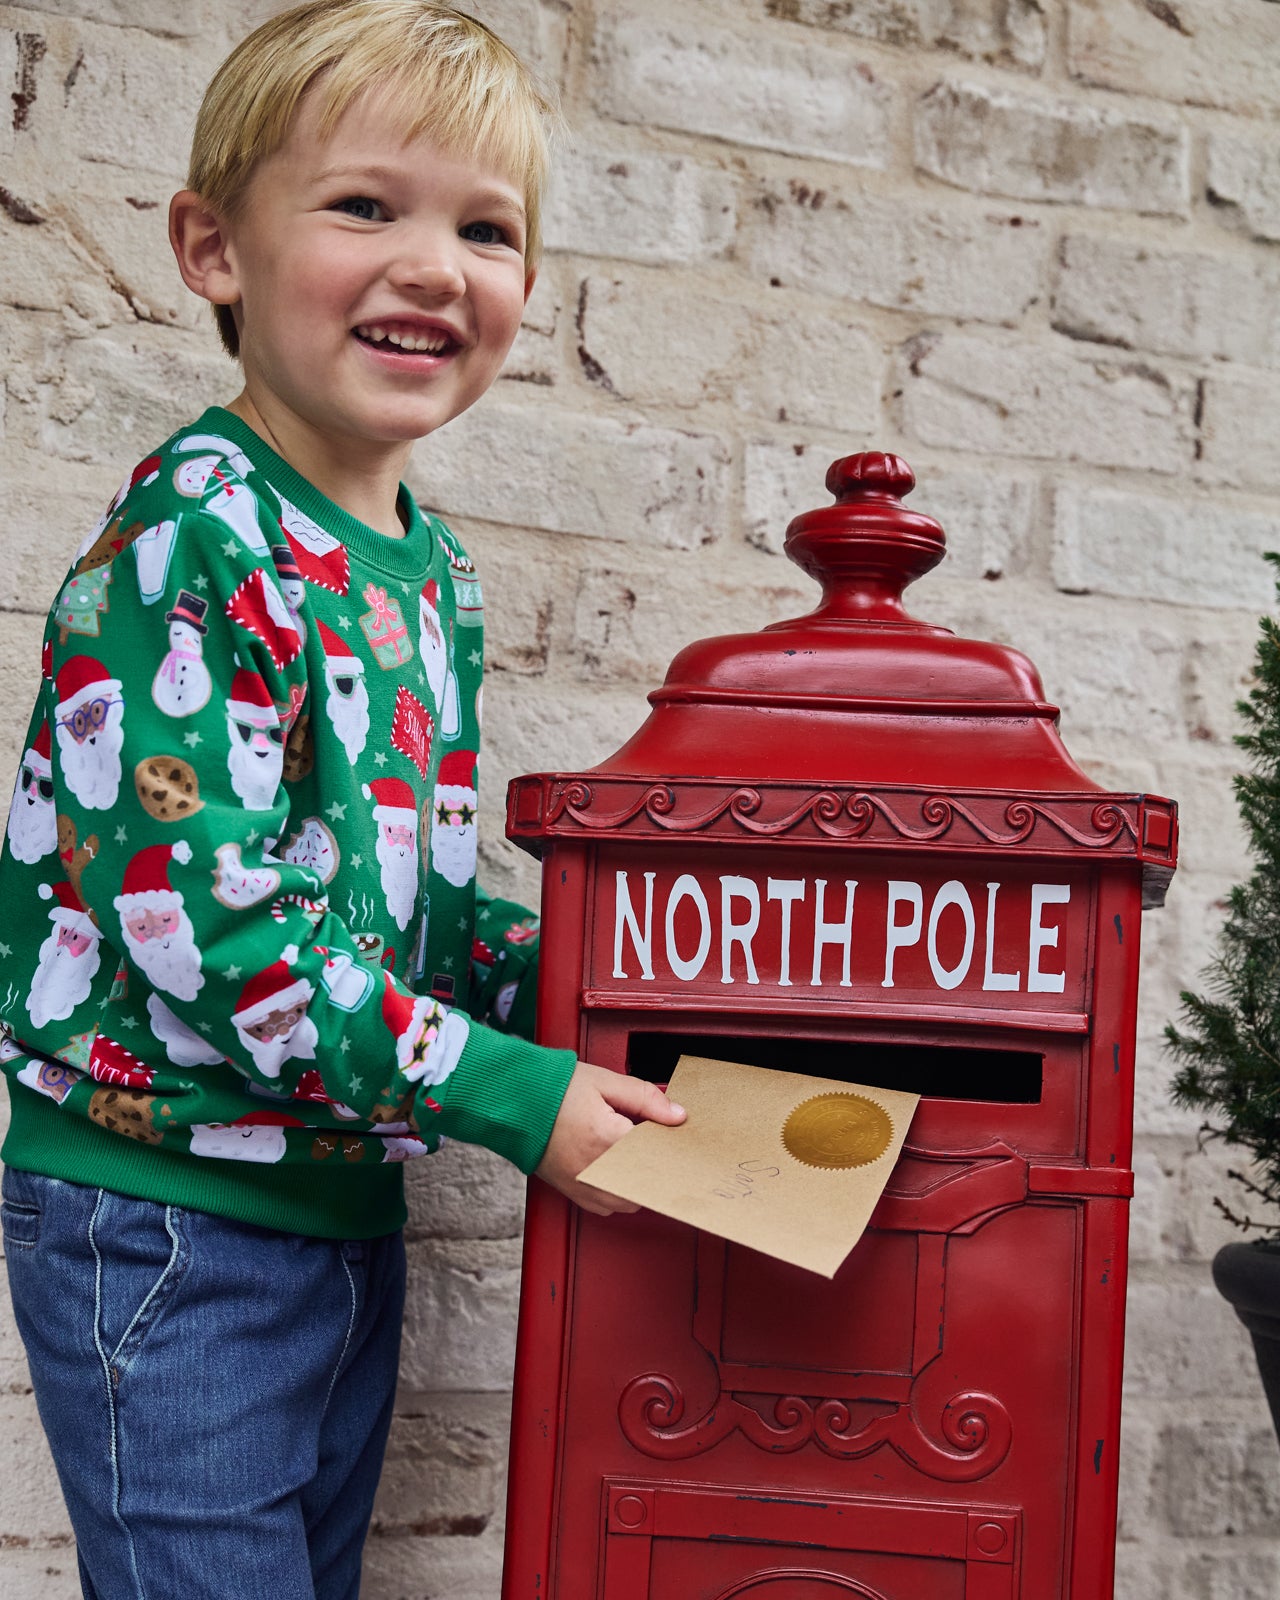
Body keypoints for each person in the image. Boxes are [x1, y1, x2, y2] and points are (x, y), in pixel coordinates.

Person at [0, 4, 684, 1595]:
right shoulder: (197, 537)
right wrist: (516, 1094)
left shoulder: (428, 572)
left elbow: (402, 908)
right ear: (213, 250)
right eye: (366, 207)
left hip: (340, 1205)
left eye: (486, 230)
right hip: (168, 1216)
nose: (434, 266)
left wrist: (607, 989)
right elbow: (214, 927)